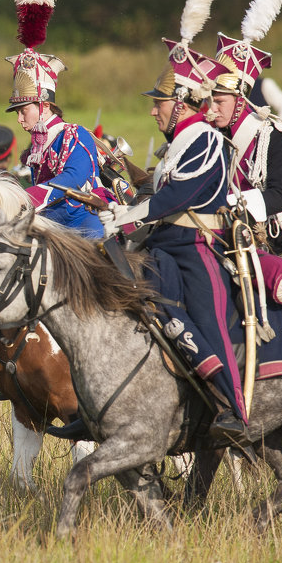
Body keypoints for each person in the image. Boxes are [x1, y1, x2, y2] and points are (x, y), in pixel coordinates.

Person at [100, 41, 247, 443]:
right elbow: (155, 193)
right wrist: (121, 207)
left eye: (159, 102)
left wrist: (130, 217)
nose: (153, 110)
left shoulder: (204, 139)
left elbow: (177, 196)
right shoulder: (177, 144)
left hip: (197, 248)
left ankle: (234, 410)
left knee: (208, 322)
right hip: (164, 247)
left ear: (181, 103)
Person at [207, 0, 282, 260]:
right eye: (211, 99)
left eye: (220, 101)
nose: (212, 109)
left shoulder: (272, 136)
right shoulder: (211, 134)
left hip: (275, 234)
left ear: (240, 102)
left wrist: (231, 204)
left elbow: (279, 195)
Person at [4, 0, 104, 237]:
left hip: (82, 227)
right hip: (49, 229)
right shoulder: (36, 146)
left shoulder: (75, 136)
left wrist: (25, 198)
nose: (19, 119)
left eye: (23, 110)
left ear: (44, 105)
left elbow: (72, 179)